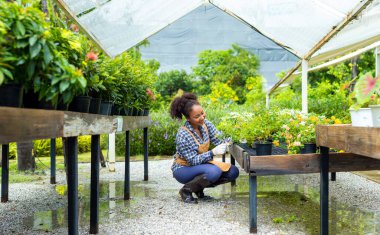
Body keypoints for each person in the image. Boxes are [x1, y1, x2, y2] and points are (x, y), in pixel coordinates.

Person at [170, 93, 239, 203]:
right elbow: (192, 161)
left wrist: (236, 138)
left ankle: (198, 188)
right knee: (214, 171)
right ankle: (186, 190)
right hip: (183, 168)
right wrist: (212, 152)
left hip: (201, 165)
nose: (202, 117)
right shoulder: (183, 134)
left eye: (202, 113)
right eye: (197, 116)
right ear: (188, 118)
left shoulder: (206, 124)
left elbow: (219, 140)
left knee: (233, 172)